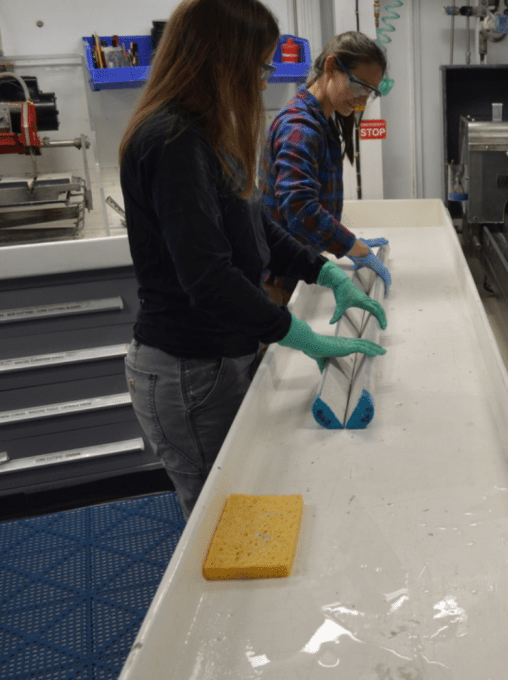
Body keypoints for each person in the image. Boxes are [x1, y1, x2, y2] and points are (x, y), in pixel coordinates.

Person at [119, 0, 387, 518]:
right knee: (222, 518)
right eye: (261, 66)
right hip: (186, 366)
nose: (264, 82)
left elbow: (257, 220)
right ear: (220, 60)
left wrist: (325, 269)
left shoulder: (207, 131)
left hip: (219, 356)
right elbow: (207, 278)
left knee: (247, 499)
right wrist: (295, 332)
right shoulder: (173, 139)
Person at [262, 31, 392, 305]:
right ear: (331, 67)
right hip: (282, 280)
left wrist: (345, 243)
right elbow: (298, 208)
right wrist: (353, 246)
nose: (360, 102)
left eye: (369, 94)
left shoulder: (322, 120)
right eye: (358, 88)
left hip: (299, 269)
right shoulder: (299, 127)